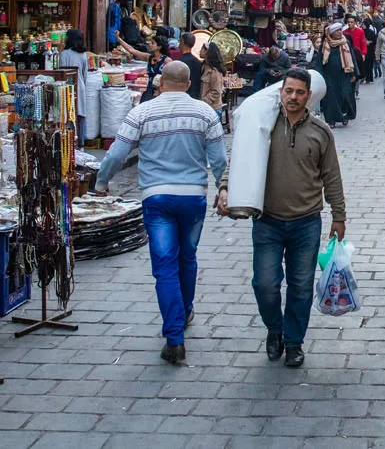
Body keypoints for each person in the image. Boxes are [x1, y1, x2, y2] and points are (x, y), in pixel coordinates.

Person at [94, 61, 226, 364]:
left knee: (165, 265)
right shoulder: (205, 112)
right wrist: (223, 187)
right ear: (190, 82)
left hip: (157, 198)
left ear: (161, 83)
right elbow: (219, 159)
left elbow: (116, 152)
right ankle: (186, 309)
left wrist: (101, 183)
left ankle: (174, 338)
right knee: (187, 256)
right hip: (193, 197)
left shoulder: (142, 112)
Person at [215, 70, 347, 368]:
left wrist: (339, 215)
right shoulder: (262, 126)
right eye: (288, 91)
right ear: (281, 92)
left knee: (300, 287)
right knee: (265, 284)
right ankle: (274, 328)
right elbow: (240, 160)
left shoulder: (320, 131)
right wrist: (225, 187)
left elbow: (331, 176)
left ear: (309, 96)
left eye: (300, 92)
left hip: (307, 222)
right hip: (268, 221)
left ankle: (293, 342)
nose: (293, 97)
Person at [312, 23, 357, 127]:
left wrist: (354, 74)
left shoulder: (346, 43)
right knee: (331, 98)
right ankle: (331, 120)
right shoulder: (325, 44)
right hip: (329, 76)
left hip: (344, 75)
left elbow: (352, 58)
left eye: (340, 30)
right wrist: (319, 75)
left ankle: (345, 117)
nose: (340, 32)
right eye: (337, 31)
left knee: (345, 96)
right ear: (331, 33)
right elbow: (319, 61)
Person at [119, 29, 170, 102]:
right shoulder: (149, 57)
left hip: (160, 92)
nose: (149, 44)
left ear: (159, 47)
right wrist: (118, 39)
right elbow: (132, 50)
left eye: (152, 43)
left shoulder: (167, 61)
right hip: (149, 90)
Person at [60, 28, 90, 143]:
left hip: (67, 87)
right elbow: (85, 74)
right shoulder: (83, 55)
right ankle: (81, 142)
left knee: (68, 114)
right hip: (80, 86)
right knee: (80, 115)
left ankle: (69, 141)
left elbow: (61, 72)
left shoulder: (64, 54)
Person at [201, 42, 226, 120]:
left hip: (212, 109)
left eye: (202, 49)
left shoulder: (214, 72)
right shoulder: (203, 67)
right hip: (205, 108)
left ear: (206, 52)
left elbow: (216, 92)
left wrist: (204, 101)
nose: (200, 51)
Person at [178, 32, 204, 100]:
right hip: (196, 97)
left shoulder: (180, 62)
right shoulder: (198, 62)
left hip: (182, 97)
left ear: (182, 42)